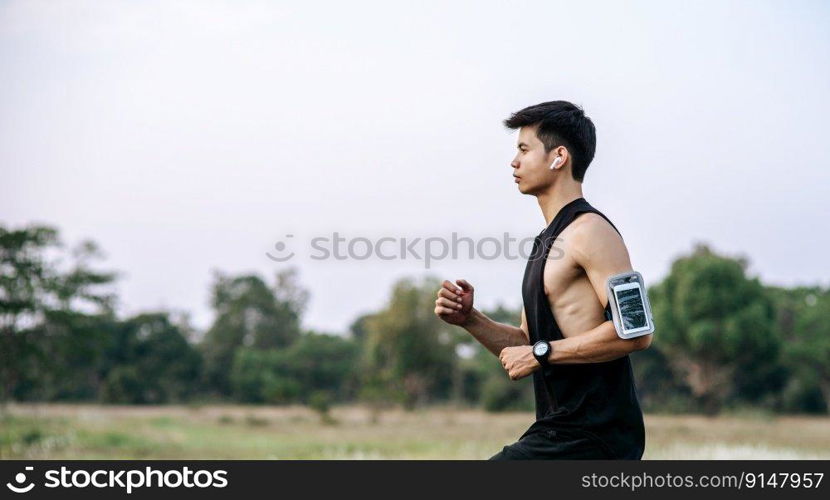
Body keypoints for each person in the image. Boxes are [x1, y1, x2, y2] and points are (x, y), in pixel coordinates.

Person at [434, 100, 653, 460]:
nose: (514, 162)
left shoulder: (592, 232)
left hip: (594, 436)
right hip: (559, 429)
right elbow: (526, 342)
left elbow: (637, 330)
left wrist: (541, 353)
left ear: (559, 157)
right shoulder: (546, 243)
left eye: (524, 149)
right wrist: (470, 320)